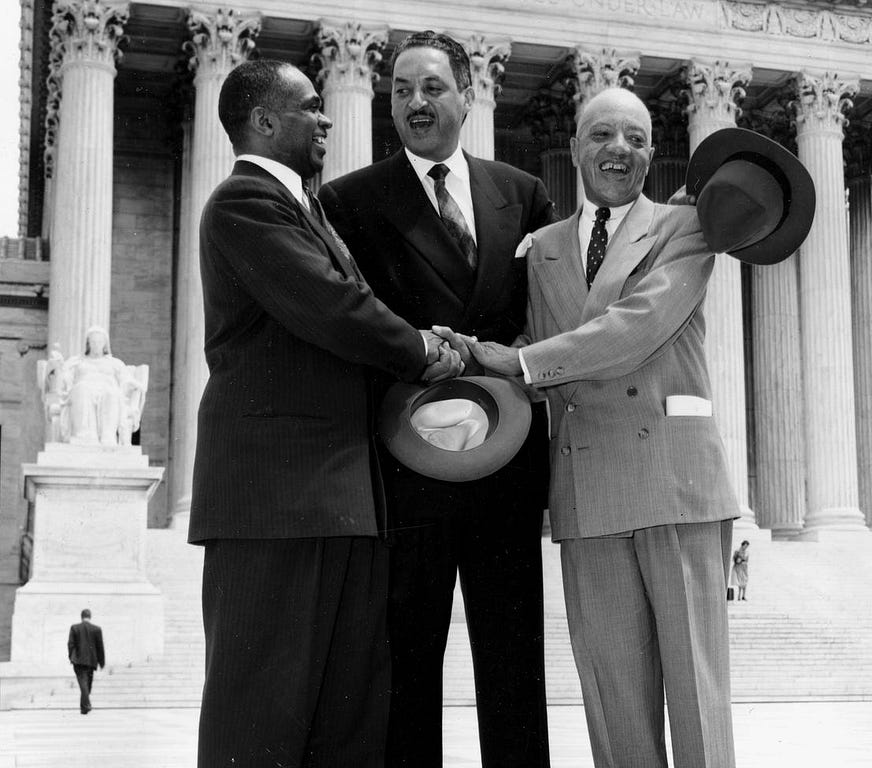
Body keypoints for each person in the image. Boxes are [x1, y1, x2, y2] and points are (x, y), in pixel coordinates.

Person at [456, 87, 743, 768]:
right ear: (577, 147)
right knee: (614, 702)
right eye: (604, 136)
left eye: (637, 139)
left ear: (652, 153)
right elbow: (526, 348)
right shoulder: (544, 249)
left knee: (697, 695)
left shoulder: (687, 228)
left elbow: (635, 329)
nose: (620, 150)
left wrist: (522, 361)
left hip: (674, 481)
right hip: (587, 486)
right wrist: (459, 355)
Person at [188, 58, 462, 767]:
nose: (329, 117)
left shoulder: (306, 209)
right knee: (261, 714)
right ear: (266, 121)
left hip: (339, 498)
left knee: (348, 716)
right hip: (274, 504)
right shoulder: (244, 203)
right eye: (312, 106)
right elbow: (334, 308)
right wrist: (423, 349)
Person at [318, 30, 556, 768]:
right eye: (400, 90)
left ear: (467, 93)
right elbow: (348, 323)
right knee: (407, 664)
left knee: (514, 661)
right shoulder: (348, 200)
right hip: (406, 464)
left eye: (432, 87)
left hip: (506, 461)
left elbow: (544, 318)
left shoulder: (524, 193)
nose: (415, 103)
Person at [61, 327, 142, 446]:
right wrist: (56, 369)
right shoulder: (76, 362)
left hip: (108, 392)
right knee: (82, 389)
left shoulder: (115, 363)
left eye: (99, 342)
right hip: (82, 391)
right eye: (93, 342)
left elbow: (126, 380)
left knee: (111, 393)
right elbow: (64, 378)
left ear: (105, 344)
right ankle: (85, 434)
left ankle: (108, 435)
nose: (96, 345)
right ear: (88, 344)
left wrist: (133, 384)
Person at [68, 608, 104, 715]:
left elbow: (70, 644)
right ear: (90, 616)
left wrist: (71, 657)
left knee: (85, 685)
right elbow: (100, 647)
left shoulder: (75, 628)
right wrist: (101, 662)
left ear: (81, 616)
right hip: (91, 662)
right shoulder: (97, 629)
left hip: (78, 661)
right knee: (86, 684)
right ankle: (86, 706)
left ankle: (84, 707)